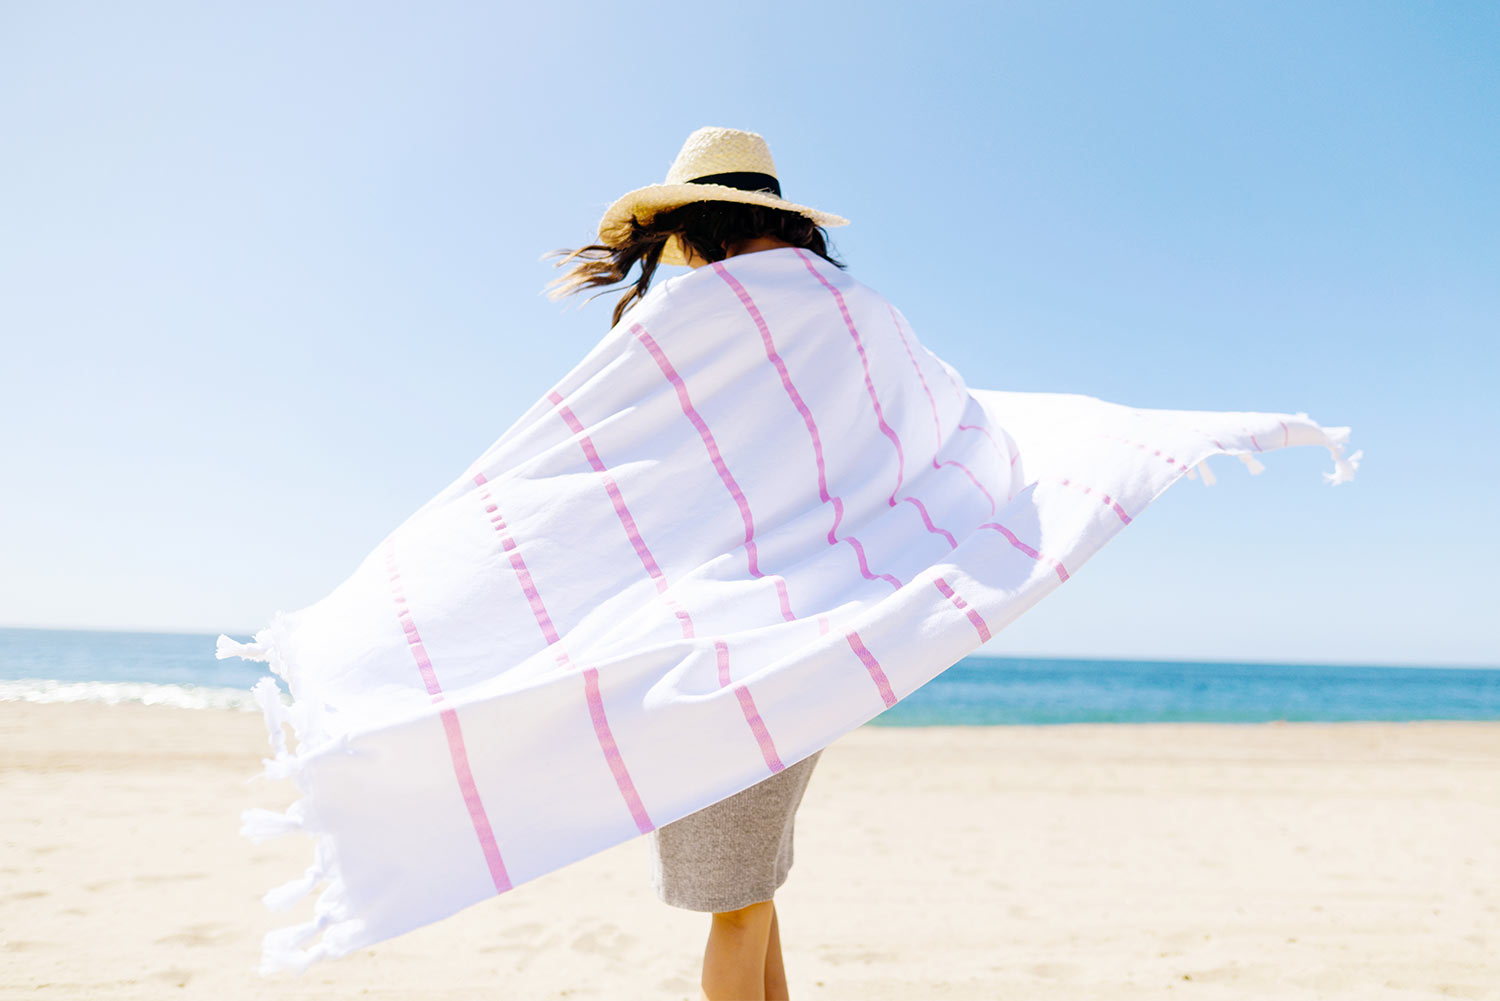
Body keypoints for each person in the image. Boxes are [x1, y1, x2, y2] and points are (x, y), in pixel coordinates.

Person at [545, 127, 851, 1001]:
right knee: (752, 882)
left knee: (738, 895)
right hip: (814, 619)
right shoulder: (837, 310)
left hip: (722, 634)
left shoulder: (688, 319)